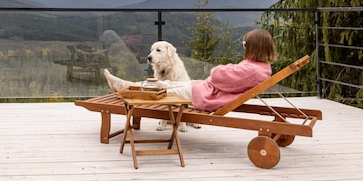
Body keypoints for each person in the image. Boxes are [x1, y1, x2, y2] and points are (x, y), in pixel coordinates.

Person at [103, 28, 276, 112]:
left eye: (245, 45)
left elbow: (217, 75)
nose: (244, 48)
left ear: (254, 47)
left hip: (204, 94)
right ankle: (127, 85)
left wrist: (227, 67)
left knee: (162, 89)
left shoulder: (252, 69)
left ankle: (125, 86)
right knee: (167, 85)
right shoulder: (260, 67)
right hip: (204, 89)